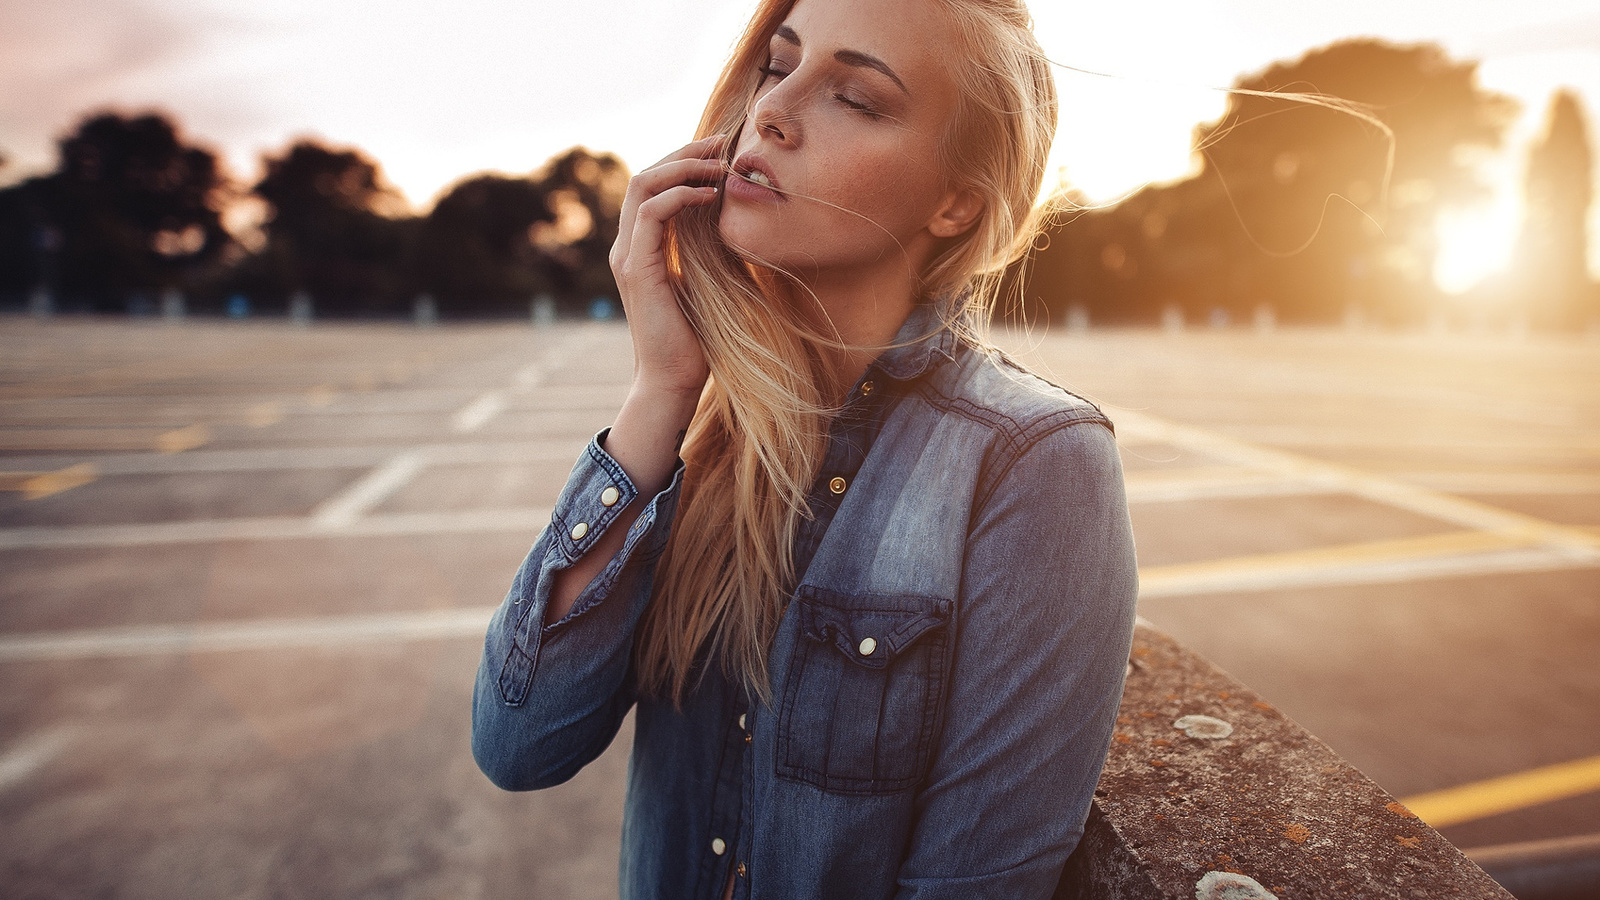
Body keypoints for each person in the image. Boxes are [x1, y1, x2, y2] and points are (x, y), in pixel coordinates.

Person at [471, 0, 1139, 896]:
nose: (773, 112)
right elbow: (519, 744)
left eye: (856, 99)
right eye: (777, 66)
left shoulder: (1035, 463)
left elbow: (974, 881)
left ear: (957, 204)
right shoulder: (709, 436)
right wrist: (662, 390)